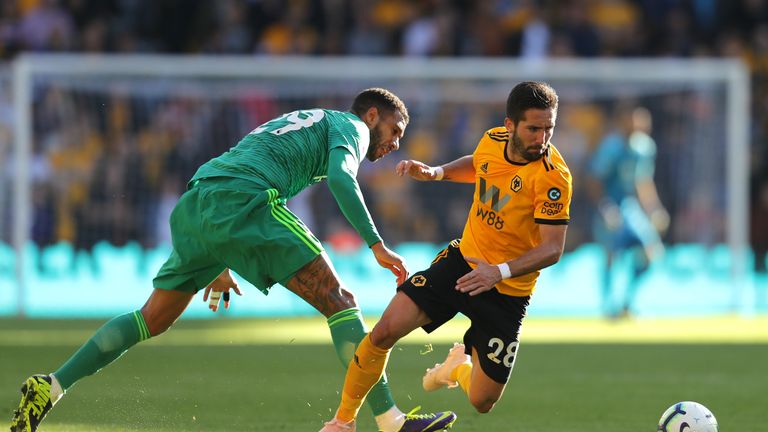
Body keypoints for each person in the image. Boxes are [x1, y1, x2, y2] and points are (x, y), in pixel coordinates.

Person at [10, 88, 456, 432]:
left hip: (198, 201)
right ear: (373, 115)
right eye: (395, 131)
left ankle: (51, 385)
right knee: (340, 301)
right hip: (245, 201)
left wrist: (220, 255)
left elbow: (237, 159)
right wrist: (376, 243)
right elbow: (341, 177)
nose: (396, 143)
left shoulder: (303, 121)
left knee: (153, 318)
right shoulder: (352, 127)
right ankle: (391, 421)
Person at [320, 81, 572, 432]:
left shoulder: (553, 178)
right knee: (383, 332)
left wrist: (497, 272)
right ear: (510, 125)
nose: (542, 138)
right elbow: (479, 164)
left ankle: (456, 366)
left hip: (508, 291)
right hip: (461, 263)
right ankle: (342, 422)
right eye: (533, 128)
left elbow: (552, 248)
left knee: (482, 402)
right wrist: (436, 173)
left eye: (549, 129)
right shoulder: (493, 140)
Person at [587, 104, 669, 318]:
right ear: (623, 122)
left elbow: (643, 181)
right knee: (611, 255)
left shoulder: (645, 147)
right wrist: (605, 207)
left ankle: (627, 301)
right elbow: (594, 179)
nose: (636, 125)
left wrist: (654, 209)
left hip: (630, 208)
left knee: (652, 253)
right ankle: (608, 306)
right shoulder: (611, 147)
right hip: (611, 207)